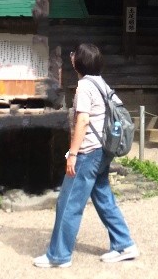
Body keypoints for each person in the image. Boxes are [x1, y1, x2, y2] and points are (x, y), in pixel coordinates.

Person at [33, 43, 139, 268]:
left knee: (68, 202)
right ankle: (124, 243)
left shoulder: (84, 86)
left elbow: (82, 120)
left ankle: (59, 255)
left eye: (74, 55)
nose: (71, 57)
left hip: (88, 152)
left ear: (78, 62)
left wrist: (72, 154)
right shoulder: (101, 83)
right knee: (103, 198)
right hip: (103, 151)